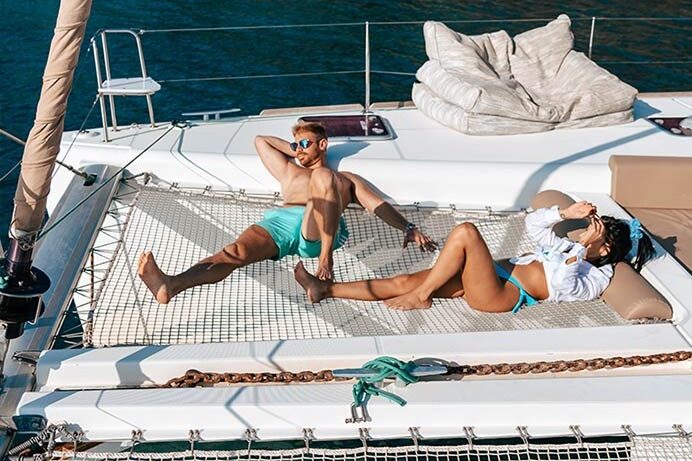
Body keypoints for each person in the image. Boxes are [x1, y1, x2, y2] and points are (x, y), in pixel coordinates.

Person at [137, 121, 436, 303]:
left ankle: (325, 259)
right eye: (296, 144)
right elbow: (260, 141)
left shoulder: (345, 180)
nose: (299, 148)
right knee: (233, 253)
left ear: (323, 144)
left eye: (305, 143)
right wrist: (294, 150)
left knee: (323, 178)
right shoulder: (289, 171)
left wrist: (408, 227)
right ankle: (170, 285)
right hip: (281, 223)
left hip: (318, 229)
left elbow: (377, 205)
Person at [294, 201, 654, 312]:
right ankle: (324, 289)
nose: (585, 232)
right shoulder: (567, 247)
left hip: (502, 294)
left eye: (596, 232)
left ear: (606, 249)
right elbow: (534, 225)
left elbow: (561, 284)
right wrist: (565, 214)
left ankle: (422, 296)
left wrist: (582, 250)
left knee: (466, 231)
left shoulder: (597, 275)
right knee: (403, 281)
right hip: (488, 275)